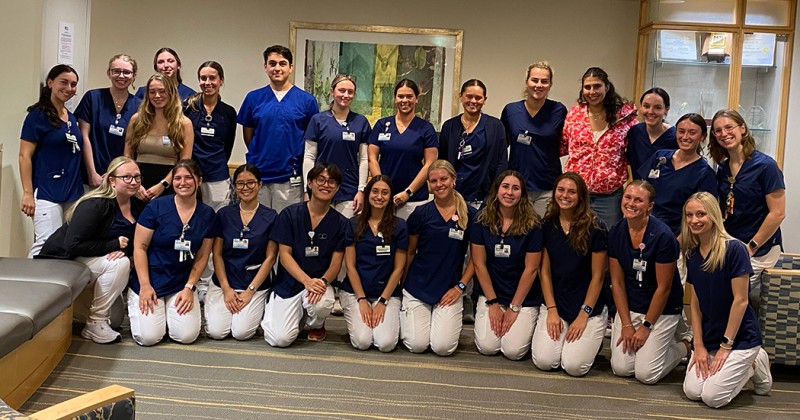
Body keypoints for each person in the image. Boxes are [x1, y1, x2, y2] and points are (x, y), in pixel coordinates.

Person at [38, 156, 145, 343]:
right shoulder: (95, 204)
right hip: (63, 260)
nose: (133, 181)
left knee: (117, 319)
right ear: (112, 180)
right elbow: (73, 244)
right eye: (126, 177)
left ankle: (73, 307)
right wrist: (112, 245)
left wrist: (123, 249)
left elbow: (135, 242)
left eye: (137, 177)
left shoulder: (136, 205)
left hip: (92, 260)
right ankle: (95, 323)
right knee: (121, 264)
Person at [681, 191, 772, 408]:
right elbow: (695, 301)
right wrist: (699, 344)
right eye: (689, 215)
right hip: (710, 336)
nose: (694, 220)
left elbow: (741, 301)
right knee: (693, 392)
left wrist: (725, 346)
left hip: (739, 337)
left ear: (714, 216)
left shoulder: (735, 249)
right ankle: (736, 364)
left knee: (713, 398)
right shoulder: (692, 254)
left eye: (701, 214)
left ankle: (755, 362)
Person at [608, 180, 688, 384]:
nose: (631, 203)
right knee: (621, 368)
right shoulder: (617, 232)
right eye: (627, 197)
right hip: (633, 303)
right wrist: (626, 323)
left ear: (650, 206)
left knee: (647, 374)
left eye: (638, 200)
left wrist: (645, 327)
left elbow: (664, 288)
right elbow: (616, 282)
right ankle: (653, 345)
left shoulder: (663, 236)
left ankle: (686, 345)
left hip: (662, 308)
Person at [128, 159, 216, 346]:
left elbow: (202, 257)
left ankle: (168, 314)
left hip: (180, 282)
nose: (182, 183)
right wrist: (144, 285)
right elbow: (139, 247)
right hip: (151, 279)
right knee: (149, 338)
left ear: (199, 181)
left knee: (186, 336)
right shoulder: (156, 207)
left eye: (188, 178)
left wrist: (189, 287)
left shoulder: (207, 214)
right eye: (177, 178)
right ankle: (152, 309)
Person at [262, 163, 347, 346]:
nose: (326, 185)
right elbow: (284, 256)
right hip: (291, 282)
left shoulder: (340, 223)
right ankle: (294, 314)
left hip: (319, 283)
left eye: (332, 181)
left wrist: (321, 282)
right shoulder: (290, 214)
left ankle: (316, 324)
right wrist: (306, 281)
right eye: (321, 180)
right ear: (309, 183)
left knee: (322, 304)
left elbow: (335, 265)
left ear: (338, 187)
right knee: (280, 340)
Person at [532, 172, 608, 376]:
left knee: (574, 367)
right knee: (545, 361)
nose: (565, 195)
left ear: (581, 196)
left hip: (587, 305)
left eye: (572, 192)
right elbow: (544, 272)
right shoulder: (547, 225)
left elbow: (598, 277)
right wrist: (552, 310)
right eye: (561, 190)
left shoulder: (596, 227)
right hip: (556, 302)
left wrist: (584, 315)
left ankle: (593, 338)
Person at [709, 109, 785, 308]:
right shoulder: (723, 168)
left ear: (742, 128)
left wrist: (751, 246)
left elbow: (777, 213)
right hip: (732, 246)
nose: (724, 134)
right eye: (718, 131)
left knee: (740, 304)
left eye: (728, 127)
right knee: (723, 300)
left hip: (760, 250)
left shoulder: (766, 166)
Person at [402, 160, 476, 356]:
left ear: (454, 179)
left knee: (442, 348)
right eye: (433, 181)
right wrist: (402, 284)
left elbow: (477, 259)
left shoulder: (470, 214)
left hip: (449, 290)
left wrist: (460, 287)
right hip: (417, 287)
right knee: (417, 346)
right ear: (429, 185)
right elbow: (409, 252)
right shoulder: (421, 213)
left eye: (444, 179)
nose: (439, 184)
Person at [238, 45, 319, 214]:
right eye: (272, 63)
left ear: (290, 67)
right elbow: (248, 135)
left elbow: (311, 139)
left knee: (287, 226)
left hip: (290, 178)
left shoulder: (306, 100)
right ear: (265, 67)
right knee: (259, 227)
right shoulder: (254, 98)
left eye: (282, 63)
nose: (277, 68)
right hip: (258, 176)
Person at [471, 170, 542, 360]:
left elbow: (532, 268)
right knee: (488, 347)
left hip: (523, 297)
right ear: (496, 190)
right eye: (505, 187)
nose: (509, 193)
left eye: (516, 188)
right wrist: (493, 303)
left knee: (513, 352)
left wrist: (514, 307)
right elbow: (479, 264)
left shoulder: (533, 224)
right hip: (491, 293)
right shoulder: (481, 220)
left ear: (523, 194)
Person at [206, 164, 278, 340]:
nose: (245, 188)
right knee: (217, 332)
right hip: (226, 281)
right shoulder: (224, 214)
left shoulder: (271, 216)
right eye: (240, 184)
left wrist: (250, 291)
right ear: (234, 186)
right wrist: (226, 289)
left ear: (260, 184)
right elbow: (217, 255)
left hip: (254, 283)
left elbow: (270, 258)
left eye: (251, 183)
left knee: (241, 333)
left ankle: (260, 306)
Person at [19, 64, 84, 258]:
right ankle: (31, 287)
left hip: (72, 192)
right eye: (64, 82)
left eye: (73, 84)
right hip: (47, 192)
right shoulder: (37, 116)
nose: (69, 88)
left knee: (66, 245)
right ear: (50, 82)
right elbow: (24, 156)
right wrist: (28, 193)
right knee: (46, 243)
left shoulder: (71, 118)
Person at [562, 67, 637, 228]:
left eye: (597, 86)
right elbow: (563, 145)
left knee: (607, 240)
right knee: (574, 240)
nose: (592, 91)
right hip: (577, 193)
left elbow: (636, 150)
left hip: (609, 197)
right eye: (587, 87)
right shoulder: (574, 114)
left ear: (607, 87)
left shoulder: (623, 116)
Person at [341, 175, 408, 351]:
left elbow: (399, 268)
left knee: (385, 344)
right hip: (356, 292)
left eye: (385, 193)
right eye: (375, 191)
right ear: (367, 194)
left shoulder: (399, 226)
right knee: (362, 342)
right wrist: (362, 299)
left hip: (387, 293)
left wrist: (382, 301)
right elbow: (350, 266)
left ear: (391, 196)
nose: (379, 197)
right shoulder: (353, 223)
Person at [501, 62, 567, 216]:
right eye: (534, 80)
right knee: (518, 233)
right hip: (517, 187)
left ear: (550, 84)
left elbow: (568, 143)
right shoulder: (511, 110)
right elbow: (502, 146)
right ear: (527, 82)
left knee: (544, 234)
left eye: (544, 81)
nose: (539, 85)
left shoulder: (559, 110)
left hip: (548, 186)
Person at [368, 79, 438, 220]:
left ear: (416, 99)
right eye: (400, 96)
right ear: (395, 99)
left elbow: (430, 163)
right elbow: (372, 158)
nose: (404, 100)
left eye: (409, 96)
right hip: (383, 201)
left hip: (414, 199)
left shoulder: (426, 128)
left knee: (412, 241)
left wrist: (408, 192)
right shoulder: (382, 125)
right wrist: (382, 191)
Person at [303, 74, 371, 218]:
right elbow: (309, 157)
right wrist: (307, 190)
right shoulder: (318, 120)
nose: (346, 95)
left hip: (349, 189)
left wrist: (361, 190)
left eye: (350, 92)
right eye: (341, 90)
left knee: (345, 233)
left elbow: (364, 159)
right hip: (321, 186)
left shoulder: (361, 122)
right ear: (332, 91)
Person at [637, 113, 716, 237]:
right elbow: (641, 191)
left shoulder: (705, 173)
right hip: (646, 226)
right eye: (681, 131)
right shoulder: (659, 157)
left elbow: (700, 216)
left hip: (678, 233)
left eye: (692, 132)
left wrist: (677, 243)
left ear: (702, 137)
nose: (685, 137)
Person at [124, 73, 194, 202]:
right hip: (138, 186)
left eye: (162, 91)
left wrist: (163, 185)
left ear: (171, 93)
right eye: (152, 92)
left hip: (169, 184)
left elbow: (184, 162)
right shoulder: (136, 120)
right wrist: (135, 183)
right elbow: (127, 155)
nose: (157, 96)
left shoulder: (184, 123)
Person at [75, 54, 142, 187]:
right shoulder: (93, 98)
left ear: (134, 75)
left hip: (120, 179)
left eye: (127, 72)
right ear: (109, 73)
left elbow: (132, 144)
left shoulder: (139, 106)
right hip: (91, 176)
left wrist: (118, 174)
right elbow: (84, 136)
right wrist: (92, 173)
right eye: (116, 71)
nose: (121, 76)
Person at [440, 79, 508, 209]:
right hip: (454, 196)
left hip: (484, 197)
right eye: (469, 96)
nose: (473, 101)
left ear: (484, 99)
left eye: (478, 98)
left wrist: (494, 195)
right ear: (460, 96)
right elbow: (442, 162)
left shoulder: (495, 126)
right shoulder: (449, 127)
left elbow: (502, 163)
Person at [184, 61, 237, 211]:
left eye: (212, 78)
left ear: (221, 80)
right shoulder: (188, 107)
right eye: (203, 78)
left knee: (217, 219)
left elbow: (228, 145)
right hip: (191, 174)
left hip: (217, 175)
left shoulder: (228, 113)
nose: (207, 83)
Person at [627, 88, 677, 179]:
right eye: (646, 106)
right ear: (641, 107)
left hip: (666, 191)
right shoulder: (634, 133)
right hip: (639, 190)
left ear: (666, 109)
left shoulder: (676, 137)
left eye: (657, 107)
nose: (651, 112)